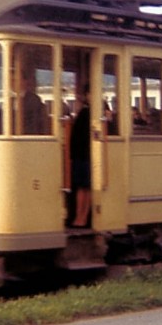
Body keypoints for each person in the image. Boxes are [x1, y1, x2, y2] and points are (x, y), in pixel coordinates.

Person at [68, 82, 92, 227]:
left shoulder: (90, 112)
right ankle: (79, 216)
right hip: (81, 154)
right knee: (81, 186)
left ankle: (83, 217)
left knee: (86, 187)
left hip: (87, 154)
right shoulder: (84, 111)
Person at [17, 68, 48, 135]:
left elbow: (35, 124)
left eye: (16, 79)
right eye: (11, 79)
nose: (13, 82)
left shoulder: (34, 100)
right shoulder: (9, 100)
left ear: (25, 81)